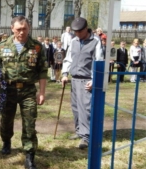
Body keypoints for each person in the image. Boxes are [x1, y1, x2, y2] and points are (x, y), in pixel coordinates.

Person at [0, 15, 47, 169]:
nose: (22, 32)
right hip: (8, 90)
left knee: (30, 122)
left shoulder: (37, 47)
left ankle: (30, 155)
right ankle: (6, 141)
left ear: (29, 28)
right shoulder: (2, 46)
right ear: (12, 29)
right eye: (18, 29)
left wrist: (42, 93)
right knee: (6, 119)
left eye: (24, 29)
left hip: (28, 91)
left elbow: (43, 71)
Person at [61, 17, 103, 149]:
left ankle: (86, 137)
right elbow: (68, 59)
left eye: (79, 31)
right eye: (75, 32)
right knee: (75, 108)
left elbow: (98, 61)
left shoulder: (96, 41)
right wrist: (64, 74)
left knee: (86, 108)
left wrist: (94, 79)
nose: (77, 34)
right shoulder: (73, 41)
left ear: (86, 29)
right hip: (74, 79)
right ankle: (79, 131)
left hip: (86, 80)